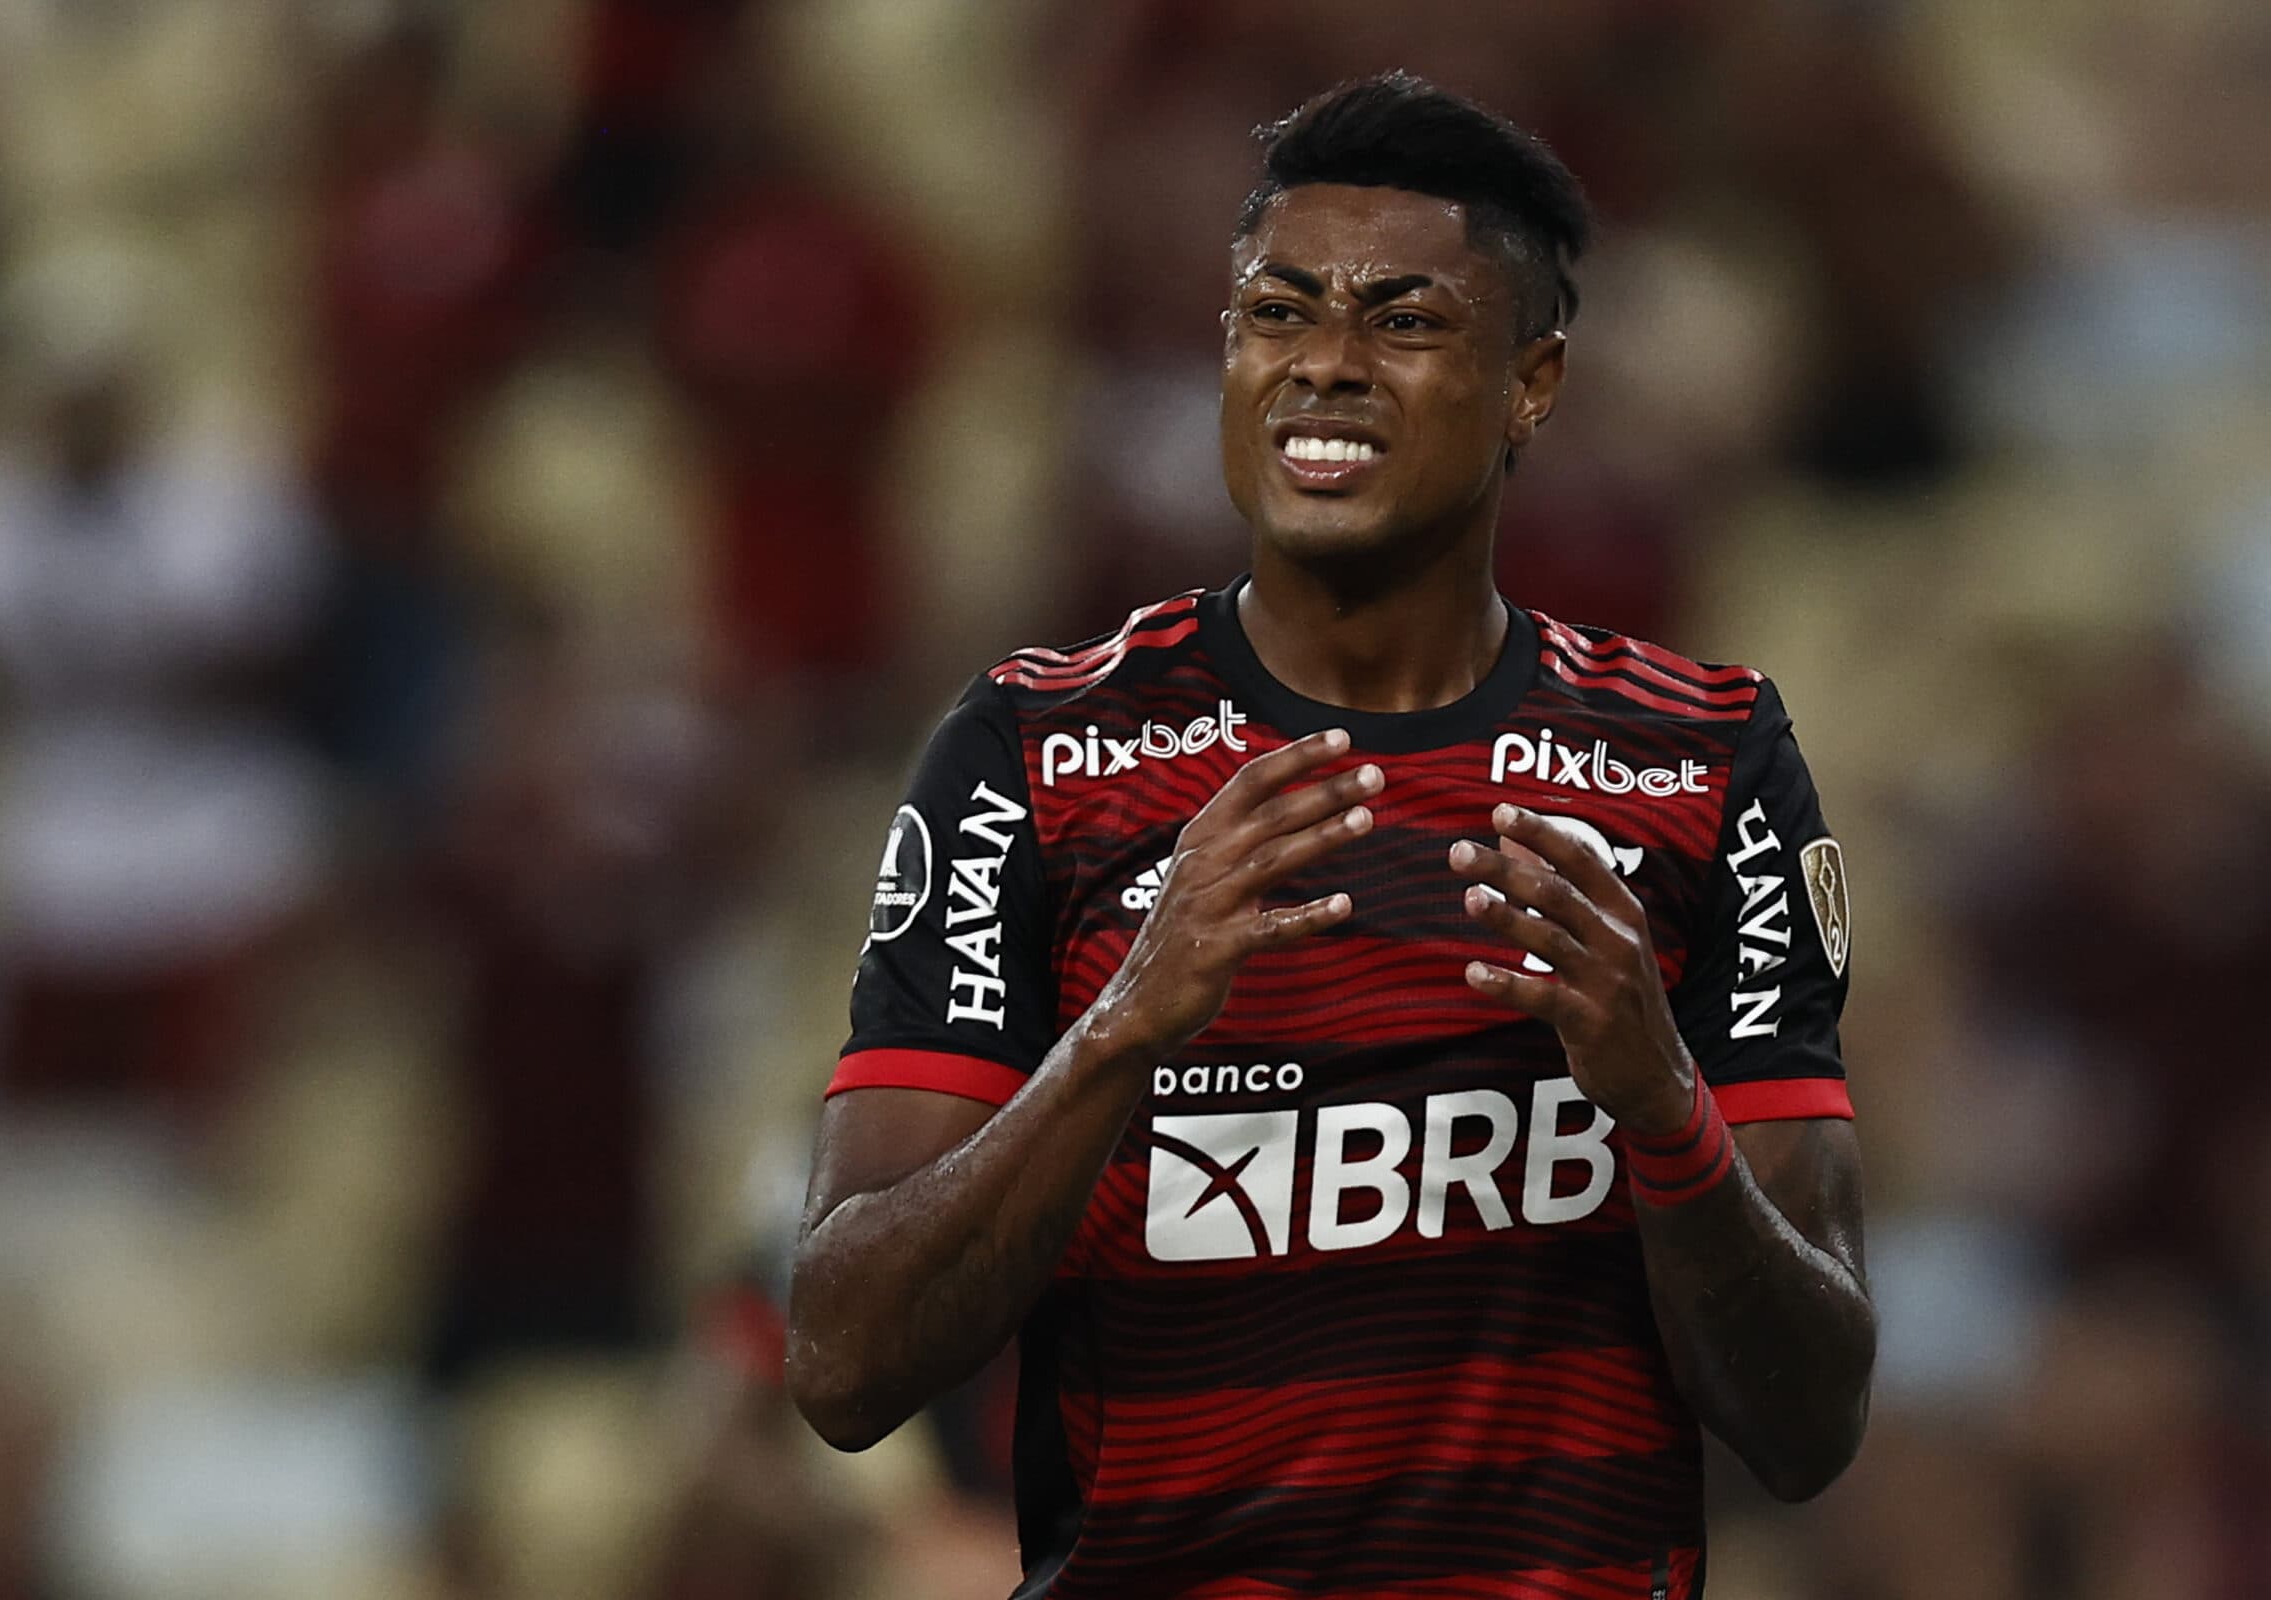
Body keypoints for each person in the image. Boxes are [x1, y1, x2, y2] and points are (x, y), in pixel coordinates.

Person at [786, 73, 1874, 1599]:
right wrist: (1119, 1031)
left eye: (1404, 321)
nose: (1325, 367)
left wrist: (1658, 1104)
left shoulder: (1705, 760)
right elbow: (842, 1362)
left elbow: (1810, 1423)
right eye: (1276, 315)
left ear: (1532, 382)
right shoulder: (1033, 753)